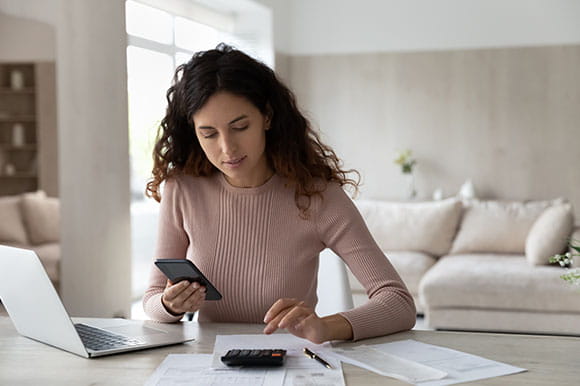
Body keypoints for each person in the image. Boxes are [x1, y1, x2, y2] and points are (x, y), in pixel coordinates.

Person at [143, 44, 415, 343]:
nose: (227, 148)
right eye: (208, 133)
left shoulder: (317, 196)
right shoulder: (183, 189)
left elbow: (398, 302)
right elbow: (153, 300)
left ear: (267, 117)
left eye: (240, 126)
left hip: (290, 362)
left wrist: (326, 327)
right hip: (209, 362)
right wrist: (170, 305)